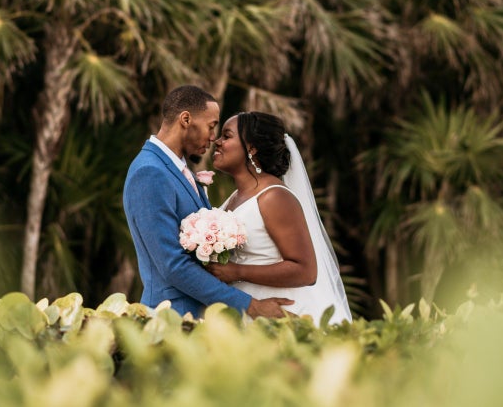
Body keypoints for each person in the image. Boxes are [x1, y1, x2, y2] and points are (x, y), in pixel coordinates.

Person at [123, 85, 292, 319]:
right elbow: (172, 265)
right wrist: (251, 305)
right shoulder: (150, 172)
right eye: (211, 126)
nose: (213, 138)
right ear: (185, 119)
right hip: (171, 315)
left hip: (197, 316)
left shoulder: (178, 170)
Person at [207, 111, 352, 325]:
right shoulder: (234, 197)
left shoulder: (274, 197)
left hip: (279, 312)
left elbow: (306, 271)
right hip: (246, 307)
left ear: (251, 148)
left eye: (226, 136)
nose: (216, 142)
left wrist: (236, 271)